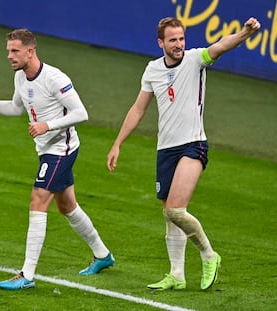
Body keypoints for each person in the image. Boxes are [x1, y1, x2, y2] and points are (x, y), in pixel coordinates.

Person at [107, 17, 261, 291]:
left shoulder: (195, 60)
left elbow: (220, 46)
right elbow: (138, 109)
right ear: (161, 43)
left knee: (176, 210)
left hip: (193, 144)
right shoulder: (152, 69)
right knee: (168, 215)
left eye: (181, 39)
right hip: (165, 149)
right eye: (173, 40)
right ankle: (176, 274)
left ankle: (209, 255)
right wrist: (118, 143)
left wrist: (245, 33)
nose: (179, 45)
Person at [0, 28, 115, 290]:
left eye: (14, 51)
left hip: (62, 149)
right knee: (67, 206)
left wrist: (48, 125)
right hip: (45, 150)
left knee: (38, 198)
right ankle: (103, 255)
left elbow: (81, 113)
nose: (9, 56)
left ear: (30, 51)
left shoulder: (55, 78)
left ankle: (26, 275)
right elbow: (15, 107)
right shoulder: (21, 77)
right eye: (9, 51)